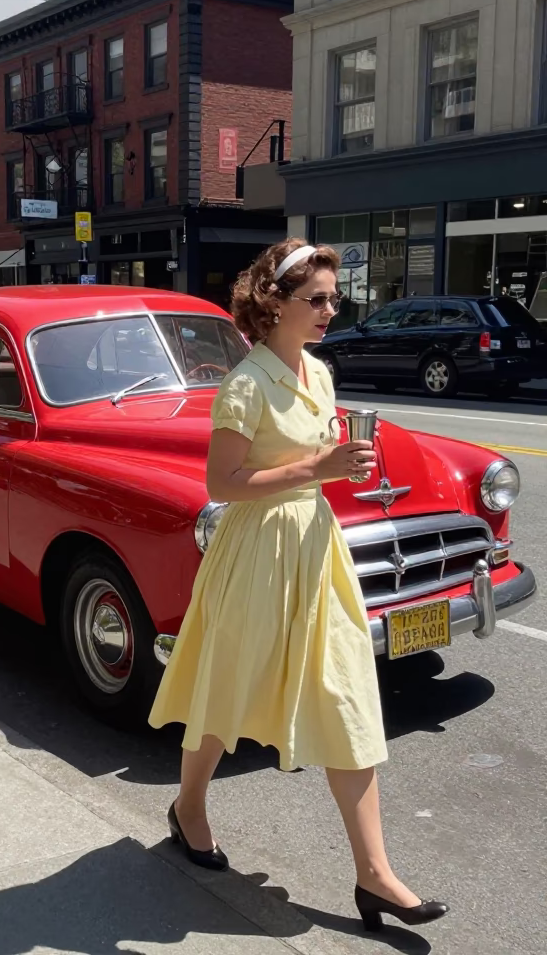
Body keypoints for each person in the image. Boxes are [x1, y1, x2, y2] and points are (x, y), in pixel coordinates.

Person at [148, 239, 447, 934]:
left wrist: (344, 467)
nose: (329, 310)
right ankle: (189, 806)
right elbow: (221, 484)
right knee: (226, 692)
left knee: (348, 696)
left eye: (334, 299)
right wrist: (318, 464)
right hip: (256, 551)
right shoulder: (245, 384)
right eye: (316, 299)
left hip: (315, 550)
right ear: (274, 302)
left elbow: (321, 467)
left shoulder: (318, 372)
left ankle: (375, 874)